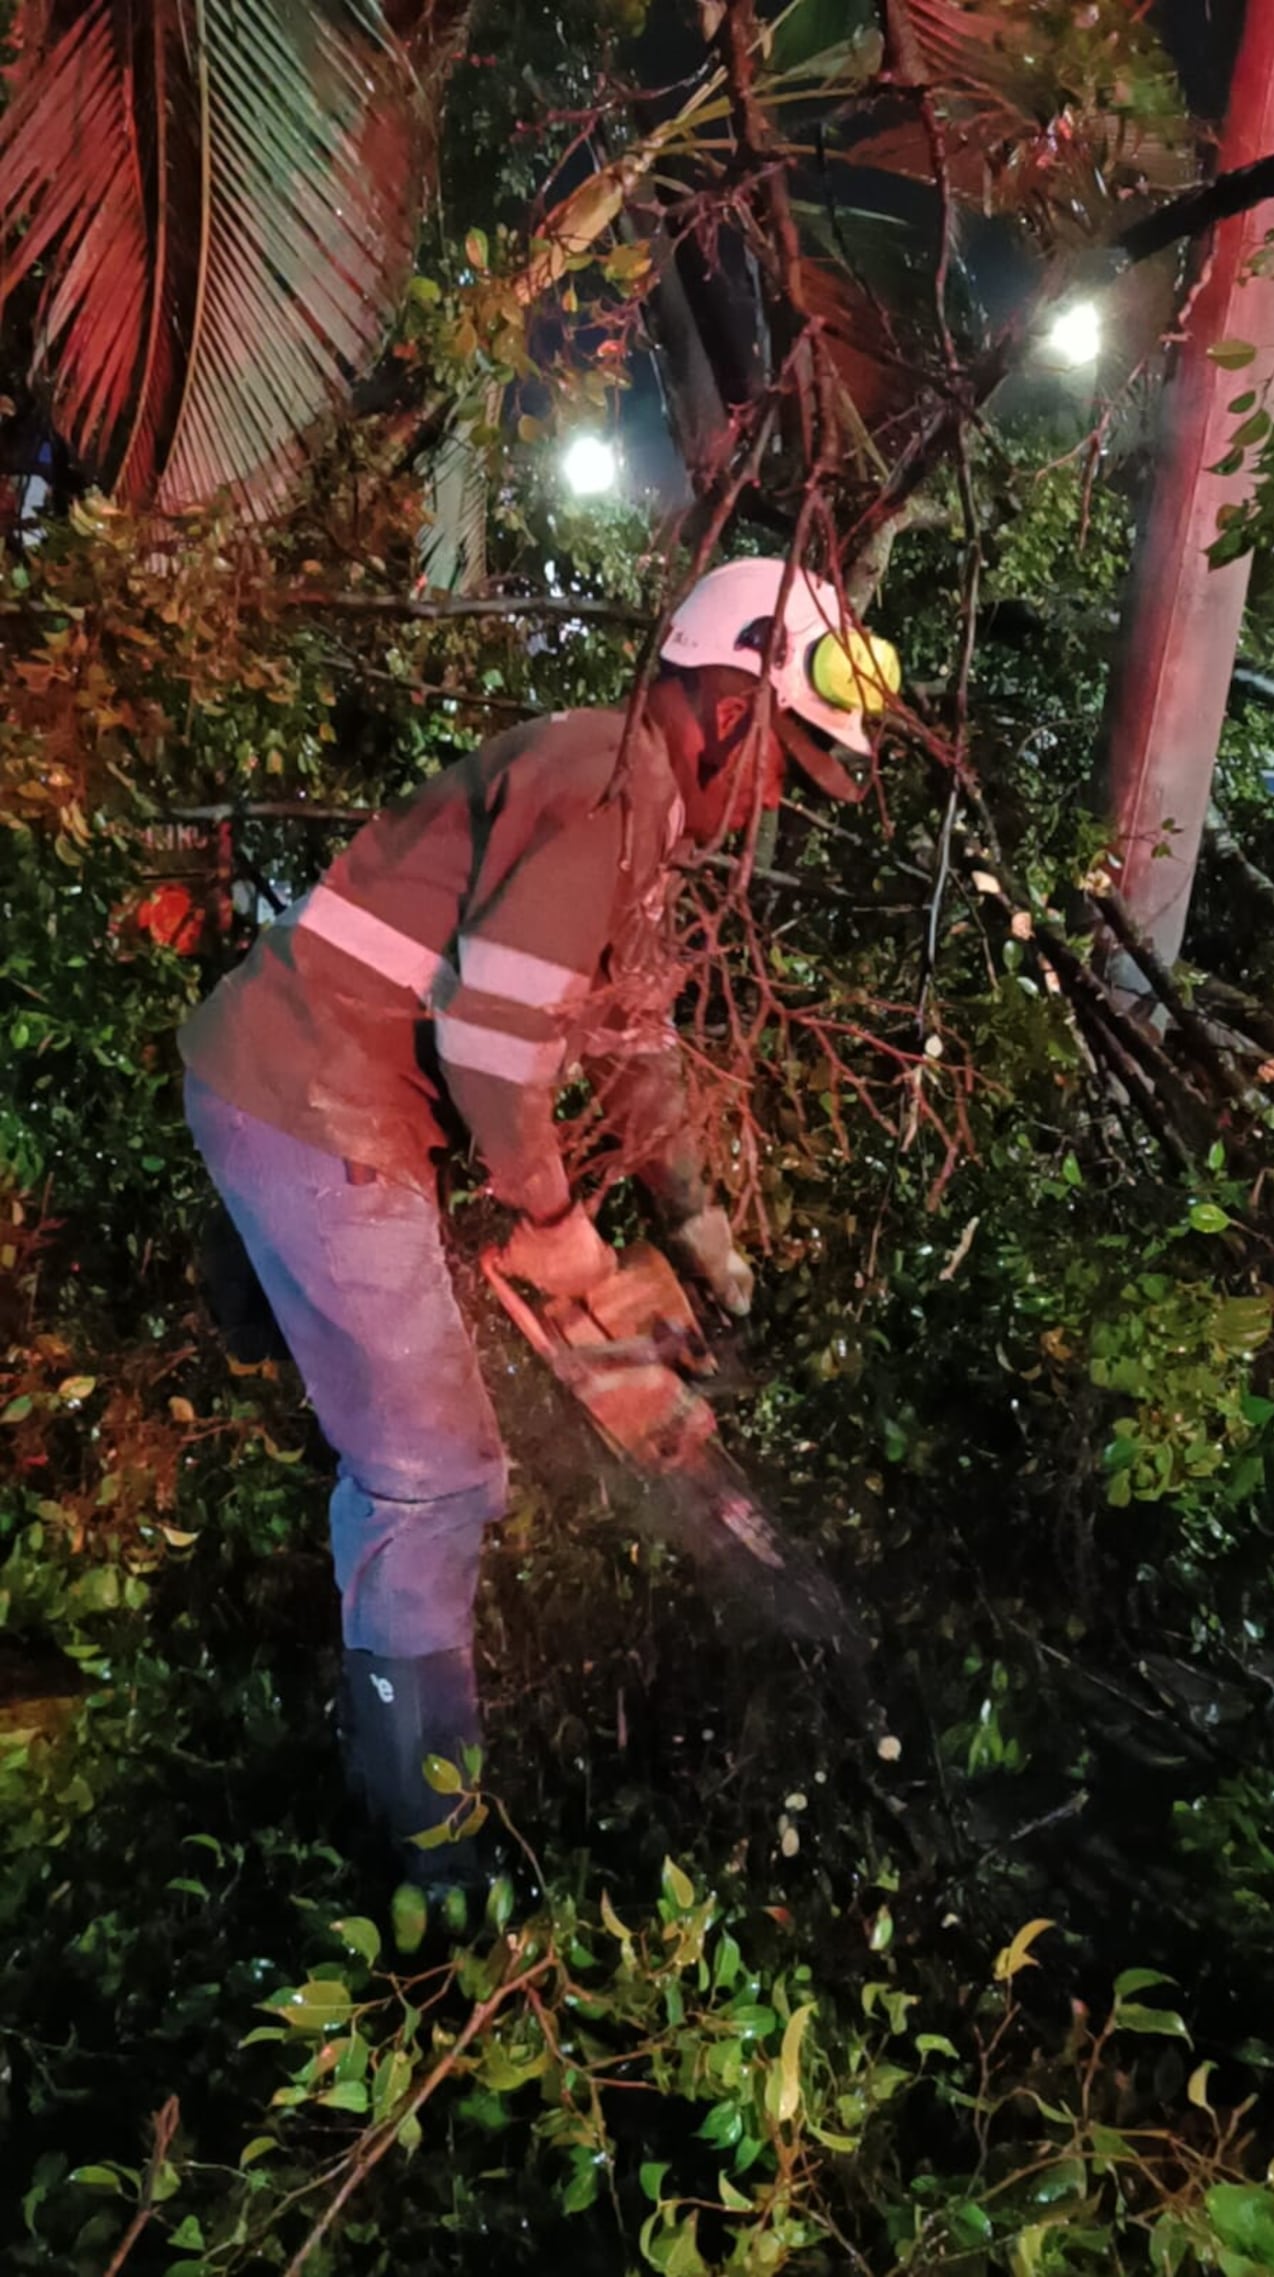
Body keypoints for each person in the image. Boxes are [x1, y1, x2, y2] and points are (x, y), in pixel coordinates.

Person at [180, 557, 900, 1880]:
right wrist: (559, 1221)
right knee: (440, 1477)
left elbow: (634, 1041)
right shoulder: (611, 784)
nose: (774, 808)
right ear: (733, 707)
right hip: (316, 1104)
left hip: (299, 1077)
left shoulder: (632, 804)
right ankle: (426, 1863)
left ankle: (381, 1729)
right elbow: (494, 1046)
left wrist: (692, 1220)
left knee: (410, 1459)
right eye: (789, 767)